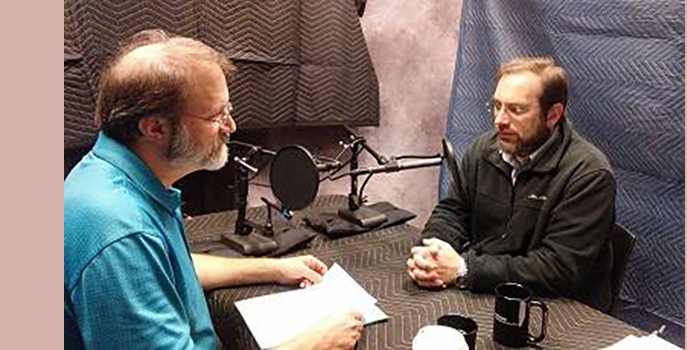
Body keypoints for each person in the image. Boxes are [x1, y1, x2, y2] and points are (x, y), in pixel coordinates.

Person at [64, 29, 363, 349]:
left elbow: (169, 269)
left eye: (228, 111)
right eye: (216, 115)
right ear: (155, 128)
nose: (230, 127)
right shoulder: (121, 230)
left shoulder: (109, 176)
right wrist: (316, 343)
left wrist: (274, 267)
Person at [407, 57, 615, 311]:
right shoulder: (484, 149)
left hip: (558, 307)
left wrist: (464, 268)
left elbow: (557, 269)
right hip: (489, 290)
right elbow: (453, 211)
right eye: (497, 106)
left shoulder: (588, 175)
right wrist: (432, 252)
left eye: (516, 110)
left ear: (553, 115)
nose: (499, 120)